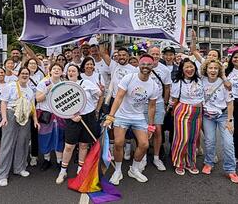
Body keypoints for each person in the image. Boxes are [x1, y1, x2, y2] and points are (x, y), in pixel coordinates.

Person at [103, 54, 157, 185]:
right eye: (143, 63)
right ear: (139, 64)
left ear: (153, 65)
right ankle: (118, 170)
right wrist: (111, 116)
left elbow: (151, 107)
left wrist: (150, 126)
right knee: (118, 142)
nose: (145, 66)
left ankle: (134, 169)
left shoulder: (154, 85)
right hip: (122, 115)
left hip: (138, 117)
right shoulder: (129, 78)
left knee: (144, 144)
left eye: (148, 64)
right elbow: (119, 97)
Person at [56, 64, 101, 184]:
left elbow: (99, 94)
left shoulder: (86, 83)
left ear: (78, 72)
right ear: (66, 73)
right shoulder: (63, 86)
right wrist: (71, 116)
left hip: (88, 117)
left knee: (83, 145)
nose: (71, 72)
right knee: (69, 146)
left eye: (73, 70)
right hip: (72, 119)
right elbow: (59, 106)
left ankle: (80, 169)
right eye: (69, 71)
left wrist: (93, 105)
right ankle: (63, 171)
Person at [200, 59, 238, 184]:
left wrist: (229, 120)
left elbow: (230, 103)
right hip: (207, 116)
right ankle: (208, 162)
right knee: (210, 141)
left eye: (215, 68)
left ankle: (231, 170)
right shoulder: (201, 81)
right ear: (206, 69)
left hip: (223, 115)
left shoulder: (225, 83)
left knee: (228, 143)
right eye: (210, 68)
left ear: (219, 71)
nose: (213, 70)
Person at [0, 67, 39, 187]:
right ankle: (2, 174)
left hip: (25, 117)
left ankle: (19, 167)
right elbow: (3, 102)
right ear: (18, 75)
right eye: (23, 73)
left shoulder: (30, 90)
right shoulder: (10, 86)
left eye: (27, 74)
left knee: (23, 142)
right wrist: (4, 117)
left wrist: (35, 120)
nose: (25, 75)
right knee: (7, 143)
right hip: (11, 114)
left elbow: (32, 107)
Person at [170, 58, 204, 175]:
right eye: (186, 67)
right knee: (182, 138)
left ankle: (190, 162)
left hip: (198, 111)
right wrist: (172, 111)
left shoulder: (200, 80)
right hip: (183, 110)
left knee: (193, 139)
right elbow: (174, 100)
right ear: (182, 70)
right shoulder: (178, 82)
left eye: (191, 67)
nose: (190, 69)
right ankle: (179, 162)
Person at [143, 46, 171, 172]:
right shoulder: (142, 66)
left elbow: (167, 88)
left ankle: (156, 157)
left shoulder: (164, 70)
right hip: (143, 103)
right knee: (143, 130)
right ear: (148, 54)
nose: (155, 56)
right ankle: (142, 157)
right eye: (152, 53)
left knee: (158, 130)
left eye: (157, 54)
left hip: (158, 103)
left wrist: (165, 103)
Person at [36, 63, 66, 171]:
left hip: (59, 115)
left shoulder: (64, 84)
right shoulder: (43, 83)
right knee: (45, 137)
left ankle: (59, 160)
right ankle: (46, 159)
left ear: (62, 72)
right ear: (50, 71)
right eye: (54, 69)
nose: (56, 70)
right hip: (46, 115)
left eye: (59, 69)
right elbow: (38, 99)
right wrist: (47, 90)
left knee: (59, 137)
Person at [25, 58, 45, 167]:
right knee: (23, 134)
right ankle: (23, 156)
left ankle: (34, 156)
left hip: (37, 107)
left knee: (34, 133)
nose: (33, 65)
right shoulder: (23, 75)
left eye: (34, 63)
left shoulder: (40, 76)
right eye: (30, 63)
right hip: (25, 107)